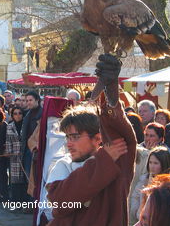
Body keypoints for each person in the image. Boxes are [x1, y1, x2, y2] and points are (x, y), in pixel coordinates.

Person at [46, 54, 136, 226]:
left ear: (98, 138)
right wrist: (103, 161)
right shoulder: (62, 166)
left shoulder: (117, 159)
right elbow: (60, 202)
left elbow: (121, 133)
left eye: (75, 136)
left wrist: (111, 87)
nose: (68, 143)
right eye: (67, 137)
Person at [130, 146, 170, 224]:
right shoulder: (144, 179)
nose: (152, 166)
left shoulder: (169, 184)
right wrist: (137, 212)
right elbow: (135, 196)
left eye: (156, 163)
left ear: (163, 164)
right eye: (150, 162)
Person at [5, 106, 26, 203]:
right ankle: (15, 200)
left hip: (25, 154)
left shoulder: (26, 125)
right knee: (14, 179)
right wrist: (9, 152)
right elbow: (8, 141)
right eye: (15, 113)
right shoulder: (10, 126)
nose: (17, 115)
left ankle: (24, 200)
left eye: (20, 113)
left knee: (24, 178)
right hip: (14, 155)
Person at [20, 90, 43, 180]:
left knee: (35, 178)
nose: (28, 102)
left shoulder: (42, 114)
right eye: (27, 100)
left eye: (30, 100)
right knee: (29, 177)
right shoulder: (28, 114)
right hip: (27, 149)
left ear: (37, 100)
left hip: (36, 149)